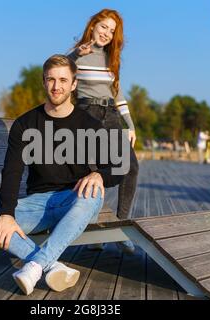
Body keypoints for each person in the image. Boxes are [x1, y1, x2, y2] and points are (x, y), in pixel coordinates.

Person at [0, 55, 124, 296]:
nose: (57, 86)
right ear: (44, 82)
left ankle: (33, 267)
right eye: (51, 80)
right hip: (38, 205)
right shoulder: (25, 124)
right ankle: (48, 265)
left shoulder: (90, 124)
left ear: (74, 84)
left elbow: (118, 167)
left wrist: (100, 177)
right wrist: (7, 214)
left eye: (63, 80)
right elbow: (12, 172)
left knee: (93, 193)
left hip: (76, 201)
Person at [67, 8, 139, 253]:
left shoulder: (112, 59)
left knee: (130, 167)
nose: (107, 33)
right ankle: (94, 230)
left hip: (110, 116)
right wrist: (77, 53)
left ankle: (120, 227)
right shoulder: (76, 54)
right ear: (93, 25)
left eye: (112, 30)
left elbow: (117, 94)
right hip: (86, 114)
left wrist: (130, 125)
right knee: (94, 172)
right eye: (103, 27)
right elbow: (57, 71)